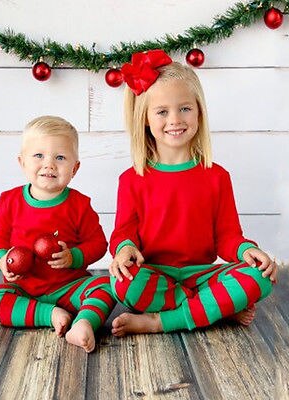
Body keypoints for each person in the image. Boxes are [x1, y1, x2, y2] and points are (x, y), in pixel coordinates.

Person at [108, 49, 277, 337]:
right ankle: (214, 308)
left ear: (199, 111)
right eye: (162, 112)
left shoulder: (217, 176)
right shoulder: (131, 179)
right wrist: (124, 249)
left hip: (201, 275)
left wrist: (246, 250)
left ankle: (160, 321)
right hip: (155, 276)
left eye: (185, 108)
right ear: (145, 118)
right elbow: (124, 232)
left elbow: (227, 237)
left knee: (260, 277)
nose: (175, 119)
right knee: (123, 283)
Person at [0, 115, 115, 352]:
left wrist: (73, 257)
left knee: (108, 286)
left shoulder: (79, 205)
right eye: (39, 156)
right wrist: (2, 260)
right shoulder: (9, 201)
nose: (49, 164)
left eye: (60, 158)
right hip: (24, 291)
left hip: (70, 287)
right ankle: (49, 315)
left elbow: (98, 244)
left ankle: (84, 323)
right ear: (22, 162)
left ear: (75, 168)